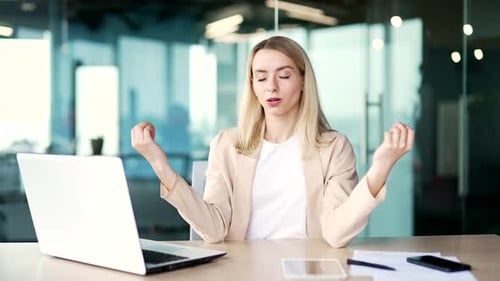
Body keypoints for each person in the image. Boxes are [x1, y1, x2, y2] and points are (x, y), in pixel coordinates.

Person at [131, 35, 414, 248]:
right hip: (242, 270)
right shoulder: (227, 144)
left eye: (284, 75)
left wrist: (380, 169)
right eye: (261, 77)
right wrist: (159, 163)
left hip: (308, 269)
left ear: (303, 81)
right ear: (252, 86)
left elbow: (336, 234)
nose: (272, 87)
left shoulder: (333, 147)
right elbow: (214, 230)